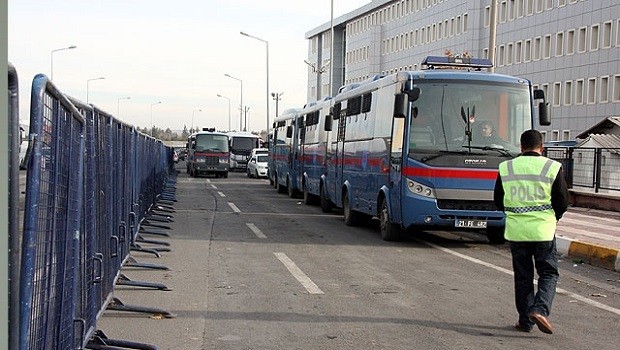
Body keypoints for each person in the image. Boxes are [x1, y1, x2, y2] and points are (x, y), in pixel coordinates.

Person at [493, 129, 569, 334]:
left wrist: (515, 213)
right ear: (541, 148)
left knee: (523, 276)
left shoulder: (507, 167)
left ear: (521, 146)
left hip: (517, 231)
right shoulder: (552, 167)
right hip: (543, 230)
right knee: (548, 272)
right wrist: (554, 218)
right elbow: (562, 200)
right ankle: (540, 309)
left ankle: (525, 321)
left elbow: (498, 200)